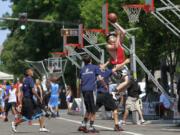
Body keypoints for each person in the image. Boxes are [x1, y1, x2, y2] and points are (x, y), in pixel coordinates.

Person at [96, 59, 130, 131]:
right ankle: (116, 126)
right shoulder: (105, 73)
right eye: (102, 65)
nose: (104, 65)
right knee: (115, 109)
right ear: (100, 67)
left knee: (92, 111)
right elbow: (116, 68)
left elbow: (104, 69)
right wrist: (125, 62)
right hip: (105, 94)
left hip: (99, 95)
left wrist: (108, 61)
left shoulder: (97, 74)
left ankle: (85, 124)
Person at [11, 68, 49, 132]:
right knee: (28, 117)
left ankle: (42, 127)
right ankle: (14, 124)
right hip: (28, 100)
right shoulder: (30, 79)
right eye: (31, 71)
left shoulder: (25, 80)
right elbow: (33, 91)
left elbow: (22, 92)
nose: (33, 72)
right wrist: (39, 98)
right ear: (28, 72)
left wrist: (21, 101)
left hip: (27, 100)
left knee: (40, 112)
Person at [78, 55, 102, 133]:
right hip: (91, 90)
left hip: (84, 90)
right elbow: (100, 77)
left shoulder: (82, 70)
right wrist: (104, 85)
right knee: (93, 110)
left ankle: (83, 125)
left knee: (88, 109)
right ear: (91, 60)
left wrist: (80, 91)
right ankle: (91, 127)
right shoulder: (94, 67)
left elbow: (80, 82)